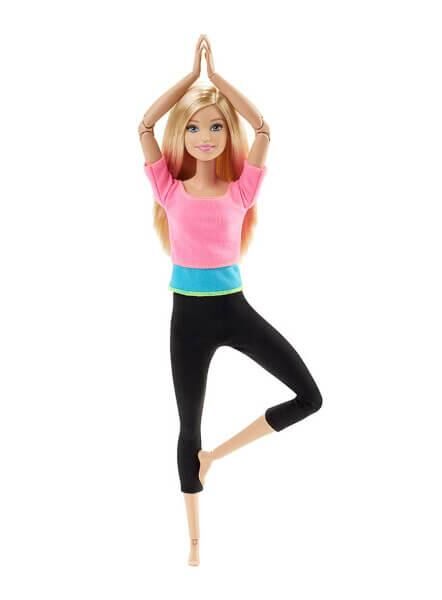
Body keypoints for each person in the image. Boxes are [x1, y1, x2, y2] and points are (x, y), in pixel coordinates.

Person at [138, 34, 323, 566]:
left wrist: (216, 80)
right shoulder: (168, 188)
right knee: (187, 427)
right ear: (181, 134)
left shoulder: (242, 188)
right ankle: (194, 544)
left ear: (227, 134)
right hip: (187, 320)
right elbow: (144, 126)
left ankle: (216, 455)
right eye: (194, 127)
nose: (204, 136)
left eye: (216, 126)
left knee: (309, 397)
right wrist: (188, 78)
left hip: (234, 311)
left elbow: (263, 128)